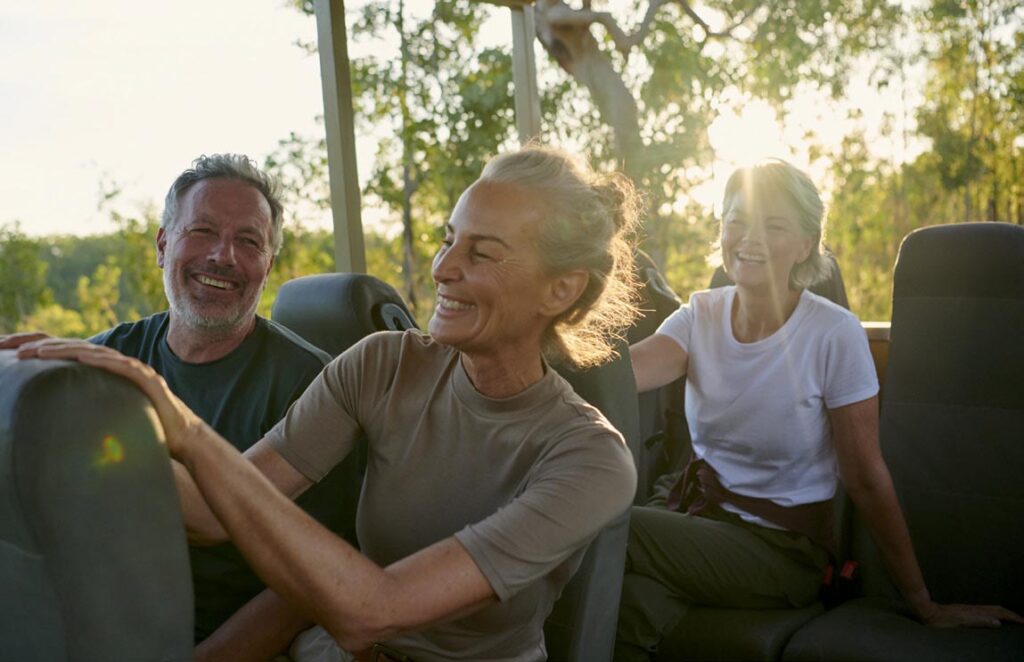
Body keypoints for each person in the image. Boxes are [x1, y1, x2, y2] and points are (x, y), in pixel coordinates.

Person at [18, 145, 641, 661]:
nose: (444, 267)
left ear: (560, 289)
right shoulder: (383, 363)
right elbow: (215, 513)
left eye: (481, 252)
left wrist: (178, 424)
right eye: (450, 240)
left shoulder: (590, 460)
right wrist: (82, 407)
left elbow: (373, 610)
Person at [614, 158, 1023, 661]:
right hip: (697, 523)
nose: (749, 237)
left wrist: (923, 603)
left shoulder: (834, 334)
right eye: (737, 220)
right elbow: (620, 377)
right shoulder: (699, 314)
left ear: (806, 244)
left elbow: (866, 477)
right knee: (625, 610)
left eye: (774, 225)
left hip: (781, 552)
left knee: (609, 524)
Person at [0, 153, 358, 653]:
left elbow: (309, 584)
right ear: (163, 246)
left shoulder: (313, 386)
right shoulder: (108, 359)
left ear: (268, 265)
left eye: (248, 241)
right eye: (203, 231)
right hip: (98, 624)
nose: (223, 256)